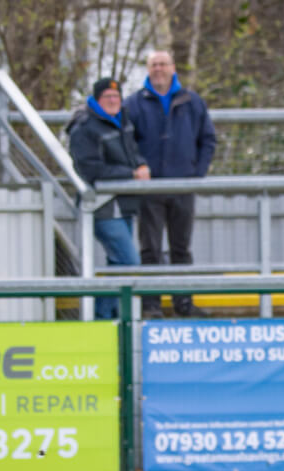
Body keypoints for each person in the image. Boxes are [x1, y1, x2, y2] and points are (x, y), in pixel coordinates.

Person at [124, 50, 216, 319]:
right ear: (148, 68)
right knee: (150, 249)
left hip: (182, 186)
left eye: (163, 64)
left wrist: (195, 173)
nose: (159, 69)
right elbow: (127, 142)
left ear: (173, 67)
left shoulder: (191, 101)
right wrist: (140, 166)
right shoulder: (135, 103)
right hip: (148, 189)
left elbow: (208, 139)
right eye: (154, 65)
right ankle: (151, 305)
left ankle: (183, 303)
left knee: (181, 248)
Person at [67, 76, 150, 320]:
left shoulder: (123, 121)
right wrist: (131, 174)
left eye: (116, 96)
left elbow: (133, 153)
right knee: (129, 261)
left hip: (124, 203)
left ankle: (110, 315)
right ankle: (102, 315)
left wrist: (141, 165)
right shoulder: (84, 127)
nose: (113, 100)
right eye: (107, 97)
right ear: (96, 99)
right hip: (103, 206)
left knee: (119, 263)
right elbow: (90, 169)